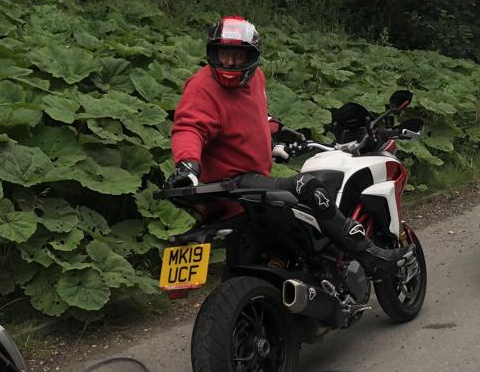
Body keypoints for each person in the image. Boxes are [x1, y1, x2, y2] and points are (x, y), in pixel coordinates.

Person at [165, 15, 413, 274]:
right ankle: (372, 256)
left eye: (237, 56)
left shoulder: (256, 79)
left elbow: (253, 117)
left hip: (253, 179)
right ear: (212, 52)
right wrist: (188, 166)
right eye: (223, 54)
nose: (229, 62)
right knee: (308, 186)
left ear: (251, 57)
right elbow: (189, 128)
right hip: (235, 182)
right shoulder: (202, 87)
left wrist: (272, 142)